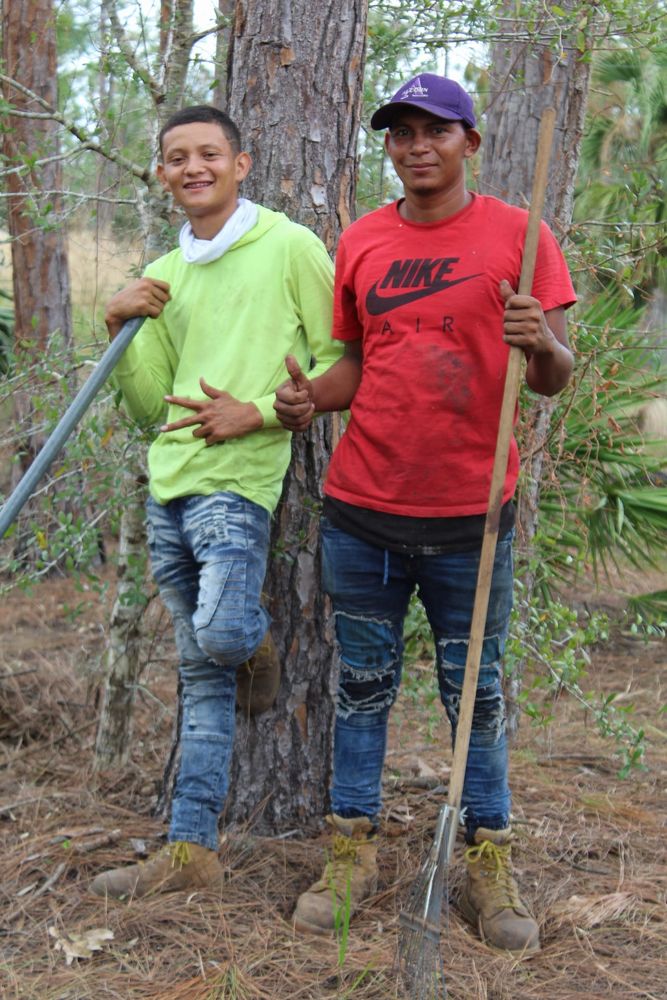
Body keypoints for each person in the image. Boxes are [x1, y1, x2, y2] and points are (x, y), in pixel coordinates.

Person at [274, 73, 576, 956]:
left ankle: (487, 858)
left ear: (468, 143)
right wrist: (308, 400)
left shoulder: (520, 237)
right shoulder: (363, 240)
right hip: (362, 510)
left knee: (473, 695)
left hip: (469, 520)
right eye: (400, 132)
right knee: (361, 688)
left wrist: (539, 342)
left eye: (434, 131)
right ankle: (350, 852)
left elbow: (555, 377)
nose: (416, 147)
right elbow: (357, 363)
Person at [90, 105, 340, 899]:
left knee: (223, 634)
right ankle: (190, 848)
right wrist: (117, 321)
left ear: (240, 164)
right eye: (176, 158)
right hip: (168, 485)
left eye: (208, 154)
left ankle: (254, 642)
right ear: (162, 174)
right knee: (200, 679)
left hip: (237, 483)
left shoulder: (290, 246)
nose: (192, 168)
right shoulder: (166, 272)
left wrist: (258, 412)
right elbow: (148, 407)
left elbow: (339, 358)